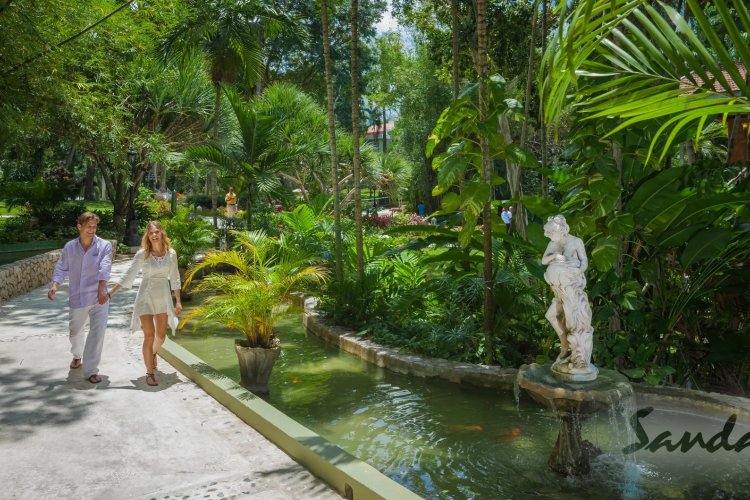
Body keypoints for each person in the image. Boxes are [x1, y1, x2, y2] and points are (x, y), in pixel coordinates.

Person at [108, 221, 182, 386]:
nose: (154, 235)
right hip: (145, 297)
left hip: (163, 297)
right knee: (149, 336)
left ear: (162, 233)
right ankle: (149, 372)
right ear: (147, 236)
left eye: (157, 232)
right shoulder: (143, 254)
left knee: (161, 337)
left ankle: (153, 353)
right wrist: (110, 293)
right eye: (151, 233)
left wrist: (178, 301)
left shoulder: (171, 254)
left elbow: (175, 277)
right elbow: (129, 274)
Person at [48, 212, 112, 384]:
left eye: (94, 226)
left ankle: (91, 370)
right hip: (77, 297)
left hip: (99, 297)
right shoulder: (70, 247)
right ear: (79, 226)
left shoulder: (104, 246)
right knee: (75, 333)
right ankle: (77, 355)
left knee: (97, 333)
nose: (92, 229)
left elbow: (105, 268)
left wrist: (101, 291)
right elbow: (62, 268)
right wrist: (55, 286)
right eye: (88, 226)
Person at [541, 215, 596, 379]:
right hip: (559, 289)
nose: (547, 236)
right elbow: (544, 261)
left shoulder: (576, 241)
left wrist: (577, 271)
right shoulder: (553, 244)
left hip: (572, 289)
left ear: (560, 230)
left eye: (550, 232)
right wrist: (555, 257)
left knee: (574, 323)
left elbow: (584, 262)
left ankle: (579, 358)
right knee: (550, 315)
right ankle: (565, 344)